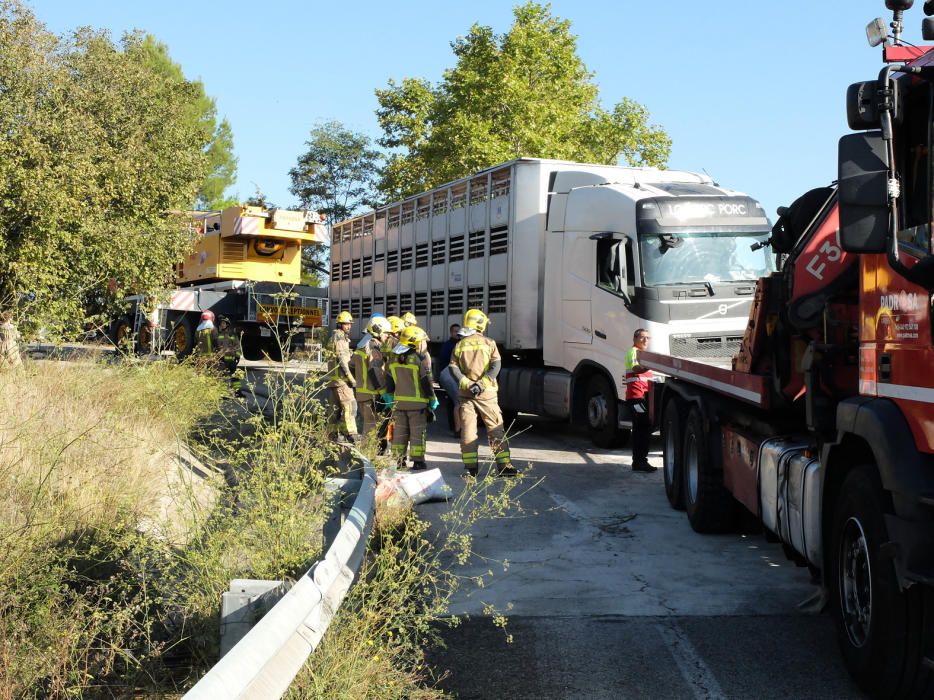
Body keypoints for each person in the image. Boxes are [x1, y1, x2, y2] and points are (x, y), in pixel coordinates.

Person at [449, 309, 515, 477]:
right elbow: (496, 366)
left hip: (466, 394)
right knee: (495, 428)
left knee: (468, 430)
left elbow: (453, 367)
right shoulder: (489, 343)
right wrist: (482, 383)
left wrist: (467, 383)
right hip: (487, 394)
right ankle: (504, 467)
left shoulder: (459, 344)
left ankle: (470, 469)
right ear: (480, 325)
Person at [384, 326, 439, 471]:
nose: (425, 344)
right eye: (422, 341)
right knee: (417, 433)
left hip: (399, 404)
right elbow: (425, 383)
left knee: (400, 433)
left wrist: (389, 399)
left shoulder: (392, 359)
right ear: (415, 343)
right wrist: (432, 399)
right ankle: (418, 461)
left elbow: (389, 384)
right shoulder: (418, 360)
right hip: (418, 405)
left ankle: (398, 461)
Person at [352, 315, 391, 439]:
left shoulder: (361, 346)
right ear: (378, 331)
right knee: (370, 429)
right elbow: (375, 371)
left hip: (361, 393)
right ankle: (365, 456)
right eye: (385, 333)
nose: (387, 336)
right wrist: (384, 392)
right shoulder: (374, 347)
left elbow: (351, 365)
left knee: (369, 426)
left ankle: (368, 454)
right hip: (371, 395)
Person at [325, 310, 358, 442]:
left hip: (333, 381)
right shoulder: (340, 338)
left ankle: (331, 435)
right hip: (342, 381)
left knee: (334, 410)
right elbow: (343, 360)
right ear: (340, 324)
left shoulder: (333, 337)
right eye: (346, 324)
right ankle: (351, 434)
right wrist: (351, 379)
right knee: (350, 406)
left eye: (349, 324)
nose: (349, 326)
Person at [625, 328, 655, 472]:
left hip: (642, 398)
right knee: (641, 428)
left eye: (648, 338)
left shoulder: (643, 355)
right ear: (635, 339)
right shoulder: (633, 352)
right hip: (635, 398)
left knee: (643, 428)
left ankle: (640, 461)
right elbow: (636, 368)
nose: (645, 340)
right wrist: (649, 365)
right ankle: (639, 462)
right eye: (643, 337)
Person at [438, 323, 462, 435]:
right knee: (456, 402)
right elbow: (444, 363)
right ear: (451, 332)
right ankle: (456, 428)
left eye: (459, 331)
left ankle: (457, 427)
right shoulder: (448, 346)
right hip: (449, 375)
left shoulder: (460, 344)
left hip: (454, 375)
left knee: (454, 402)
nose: (457, 333)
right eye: (455, 331)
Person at [216, 316, 242, 393]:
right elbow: (217, 347)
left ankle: (237, 392)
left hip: (231, 360)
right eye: (221, 323)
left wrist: (237, 357)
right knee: (222, 377)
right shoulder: (219, 335)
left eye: (224, 323)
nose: (222, 324)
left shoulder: (232, 335)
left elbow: (237, 346)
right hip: (222, 360)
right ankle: (223, 393)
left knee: (235, 377)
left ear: (227, 324)